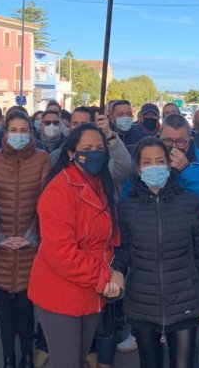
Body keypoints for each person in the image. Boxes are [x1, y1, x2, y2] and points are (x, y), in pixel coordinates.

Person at [27, 124, 123, 368]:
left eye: (99, 148)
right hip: (61, 292)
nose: (94, 153)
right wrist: (105, 276)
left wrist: (116, 271)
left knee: (79, 358)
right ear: (71, 153)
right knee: (67, 362)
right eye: (87, 148)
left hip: (91, 290)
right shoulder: (59, 189)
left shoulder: (101, 185)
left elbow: (110, 237)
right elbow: (61, 253)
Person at [114, 137, 199, 368]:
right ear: (138, 168)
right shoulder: (126, 208)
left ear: (170, 165)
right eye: (147, 162)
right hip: (142, 304)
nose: (154, 167)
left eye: (160, 161)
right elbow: (123, 250)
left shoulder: (190, 203)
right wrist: (116, 270)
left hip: (185, 302)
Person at [0, 112, 50, 368]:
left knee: (25, 308)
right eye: (14, 130)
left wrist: (32, 235)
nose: (18, 135)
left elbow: (46, 202)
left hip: (30, 248)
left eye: (24, 130)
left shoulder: (42, 159)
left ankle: (27, 356)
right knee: (4, 309)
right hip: (0, 248)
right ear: (5, 132)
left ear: (31, 133)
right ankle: (8, 358)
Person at [158, 114, 199, 222]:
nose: (174, 146)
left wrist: (186, 169)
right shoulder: (148, 159)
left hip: (195, 229)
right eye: (167, 141)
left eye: (180, 141)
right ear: (159, 136)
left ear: (190, 137)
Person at [50, 106, 133, 188]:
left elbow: (124, 169)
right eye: (75, 124)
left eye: (84, 124)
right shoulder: (56, 157)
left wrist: (109, 134)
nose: (78, 128)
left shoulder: (103, 158)